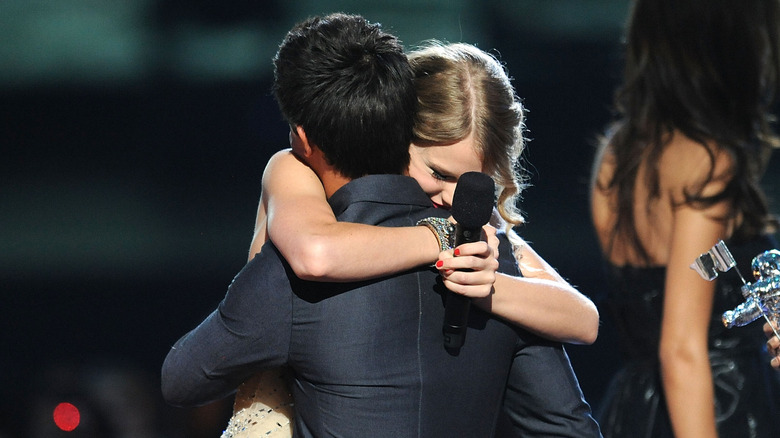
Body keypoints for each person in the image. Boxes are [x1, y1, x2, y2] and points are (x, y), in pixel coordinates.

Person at [163, 13, 601, 437]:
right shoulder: (297, 179)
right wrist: (446, 241)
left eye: (475, 185)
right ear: (395, 132)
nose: (454, 200)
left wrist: (489, 283)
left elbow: (584, 321)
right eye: (440, 174)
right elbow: (317, 252)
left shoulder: (485, 245)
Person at [590, 0, 780, 436]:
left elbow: (690, 273)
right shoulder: (707, 162)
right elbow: (681, 348)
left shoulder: (617, 152)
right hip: (716, 409)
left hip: (636, 408)